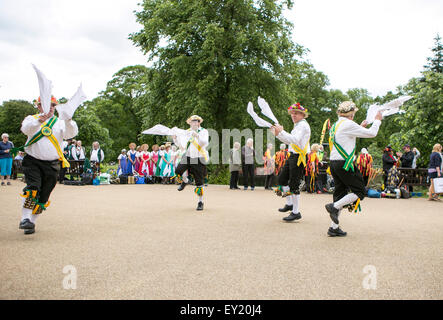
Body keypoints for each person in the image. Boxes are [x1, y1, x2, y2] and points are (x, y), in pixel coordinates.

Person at [18, 95, 78, 235]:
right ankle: (25, 218)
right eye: (46, 104)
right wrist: (39, 121)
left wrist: (69, 120)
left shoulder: (60, 122)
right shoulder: (31, 119)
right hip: (32, 160)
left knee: (44, 195)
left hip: (52, 164)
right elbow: (26, 130)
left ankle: (32, 221)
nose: (50, 107)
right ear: (38, 106)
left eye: (52, 105)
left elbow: (70, 134)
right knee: (33, 188)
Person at [324, 101, 383, 237]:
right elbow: (372, 133)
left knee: (339, 194)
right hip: (345, 164)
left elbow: (346, 136)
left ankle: (334, 227)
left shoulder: (335, 125)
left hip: (334, 163)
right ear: (351, 114)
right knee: (360, 191)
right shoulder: (349, 124)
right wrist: (377, 121)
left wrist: (360, 127)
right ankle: (334, 207)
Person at [270, 102, 311, 222]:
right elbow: (290, 141)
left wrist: (281, 131)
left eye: (296, 113)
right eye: (292, 113)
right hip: (293, 155)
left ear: (302, 115)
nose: (293, 115)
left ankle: (296, 212)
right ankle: (290, 204)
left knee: (294, 184)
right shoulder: (298, 125)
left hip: (300, 157)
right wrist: (278, 134)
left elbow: (294, 139)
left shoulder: (302, 125)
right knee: (282, 179)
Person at [173, 115, 209, 211]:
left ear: (199, 122)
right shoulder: (187, 132)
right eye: (192, 121)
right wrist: (175, 139)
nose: (194, 123)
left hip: (198, 158)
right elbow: (181, 146)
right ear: (190, 123)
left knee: (199, 182)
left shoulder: (203, 131)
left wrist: (197, 135)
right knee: (178, 170)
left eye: (196, 121)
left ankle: (200, 202)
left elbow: (205, 143)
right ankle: (185, 181)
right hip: (188, 156)